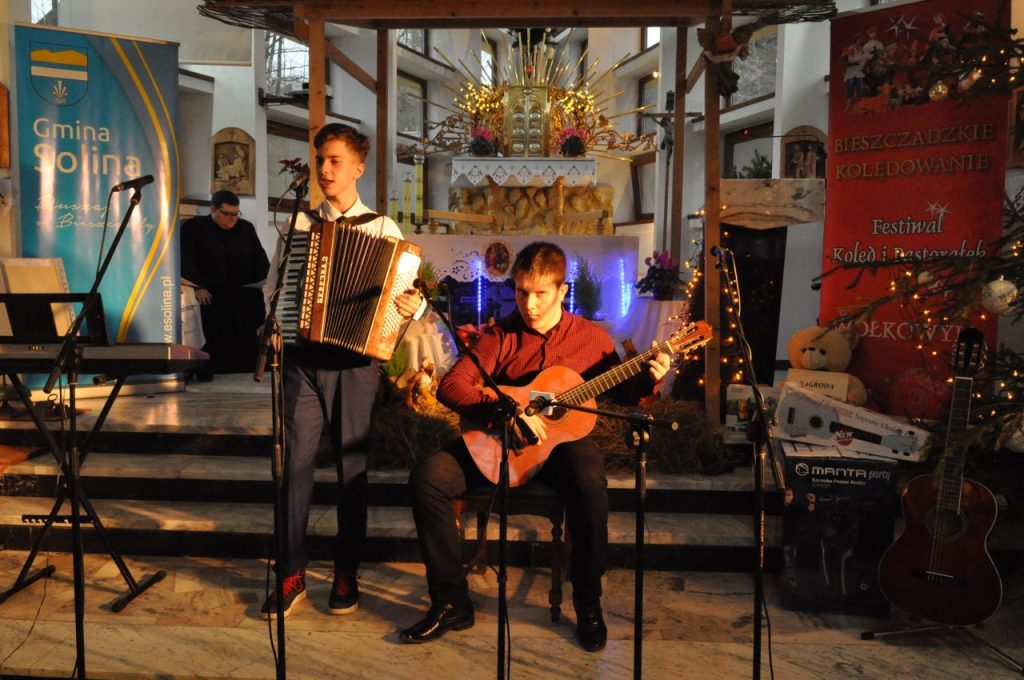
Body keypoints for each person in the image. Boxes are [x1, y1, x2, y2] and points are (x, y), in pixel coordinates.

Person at [399, 241, 670, 651]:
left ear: (563, 291)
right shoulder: (500, 336)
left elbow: (622, 393)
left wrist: (649, 377)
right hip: (497, 442)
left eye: (541, 293)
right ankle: (451, 602)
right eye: (522, 292)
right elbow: (452, 387)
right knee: (428, 477)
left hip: (560, 449)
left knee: (590, 480)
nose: (529, 304)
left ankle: (588, 603)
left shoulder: (590, 338)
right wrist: (506, 413)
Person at [261, 123, 424, 619]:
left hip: (355, 366)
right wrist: (276, 322)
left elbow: (406, 301)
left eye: (335, 161)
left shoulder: (383, 229)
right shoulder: (300, 225)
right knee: (294, 468)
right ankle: (291, 573)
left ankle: (346, 572)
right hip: (302, 363)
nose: (325, 169)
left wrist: (412, 307)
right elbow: (274, 285)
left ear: (358, 168)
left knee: (352, 471)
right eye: (320, 160)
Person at [180, 189, 270, 379]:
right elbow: (186, 261)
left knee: (256, 305)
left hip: (242, 289)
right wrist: (198, 286)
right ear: (213, 209)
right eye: (227, 214)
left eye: (236, 214)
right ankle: (215, 367)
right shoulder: (194, 228)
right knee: (211, 312)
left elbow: (260, 260)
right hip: (210, 291)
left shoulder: (246, 228)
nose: (233, 219)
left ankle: (251, 366)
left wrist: (260, 281)